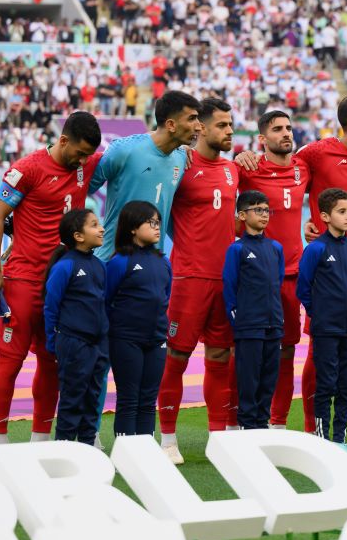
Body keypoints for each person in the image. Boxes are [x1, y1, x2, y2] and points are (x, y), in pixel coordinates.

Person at [0, 111, 102, 445]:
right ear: (62, 140)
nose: (82, 160)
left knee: (52, 363)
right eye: (79, 152)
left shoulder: (85, 165)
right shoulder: (27, 169)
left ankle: (40, 441)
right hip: (23, 281)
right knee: (10, 361)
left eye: (87, 156)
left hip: (64, 287)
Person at [156, 97, 239, 464]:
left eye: (231, 125)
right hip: (189, 277)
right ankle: (168, 439)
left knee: (220, 356)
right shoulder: (181, 165)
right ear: (201, 127)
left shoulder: (234, 169)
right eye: (222, 125)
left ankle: (218, 437)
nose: (229, 131)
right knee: (176, 356)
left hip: (225, 278)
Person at [237, 110, 310, 430]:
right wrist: (242, 157)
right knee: (245, 351)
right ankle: (235, 423)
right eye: (277, 129)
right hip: (255, 276)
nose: (286, 133)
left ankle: (277, 423)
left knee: (287, 350)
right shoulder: (248, 169)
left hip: (293, 273)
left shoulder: (302, 167)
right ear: (262, 139)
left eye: (289, 128)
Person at [89, 90, 202, 260]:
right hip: (111, 260)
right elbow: (84, 188)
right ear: (171, 125)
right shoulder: (124, 150)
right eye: (192, 118)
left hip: (152, 264)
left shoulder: (181, 158)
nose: (199, 126)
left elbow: (168, 209)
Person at [297, 189, 347, 456]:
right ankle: (324, 443)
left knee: (346, 385)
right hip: (326, 328)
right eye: (341, 212)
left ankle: (340, 440)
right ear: (325, 216)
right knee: (326, 384)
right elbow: (303, 288)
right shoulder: (316, 249)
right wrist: (321, 313)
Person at [105, 201, 171, 437]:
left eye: (158, 223)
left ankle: (145, 452)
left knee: (148, 399)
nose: (157, 228)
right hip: (126, 340)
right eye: (150, 222)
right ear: (133, 227)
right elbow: (106, 300)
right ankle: (126, 451)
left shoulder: (163, 261)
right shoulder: (119, 262)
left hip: (156, 339)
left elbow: (164, 297)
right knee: (129, 397)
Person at [43, 209, 108, 445]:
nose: (101, 228)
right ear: (78, 236)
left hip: (97, 344)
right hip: (73, 343)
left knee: (93, 399)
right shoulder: (64, 267)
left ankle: (88, 449)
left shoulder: (100, 266)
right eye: (94, 225)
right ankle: (64, 451)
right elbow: (51, 306)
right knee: (72, 399)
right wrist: (53, 342)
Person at [223, 191, 285, 430]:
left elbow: (276, 282)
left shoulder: (275, 248)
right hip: (249, 325)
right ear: (242, 215)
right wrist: (239, 319)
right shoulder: (236, 250)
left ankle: (262, 424)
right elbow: (230, 287)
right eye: (257, 210)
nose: (264, 214)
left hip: (273, 324)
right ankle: (248, 427)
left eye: (267, 210)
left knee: (269, 379)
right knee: (249, 380)